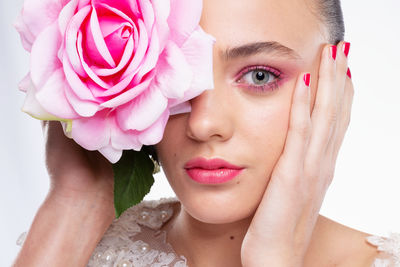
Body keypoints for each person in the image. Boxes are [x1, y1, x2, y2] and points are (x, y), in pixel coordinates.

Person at [12, 0, 400, 266]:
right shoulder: (75, 246)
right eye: (180, 83)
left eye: (260, 76)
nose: (204, 124)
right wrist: (74, 201)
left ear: (334, 83)